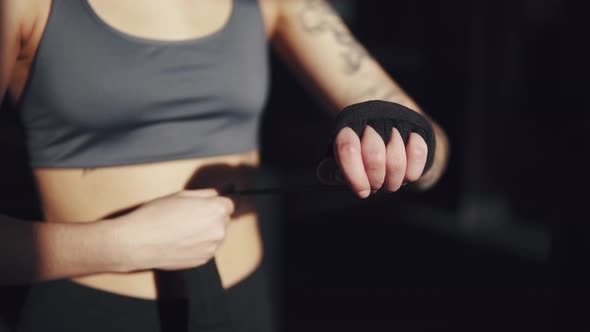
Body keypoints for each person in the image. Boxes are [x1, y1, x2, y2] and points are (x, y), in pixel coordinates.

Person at [0, 0, 450, 331]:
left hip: (245, 308)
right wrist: (118, 244)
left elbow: (435, 150)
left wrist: (403, 147)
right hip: (89, 313)